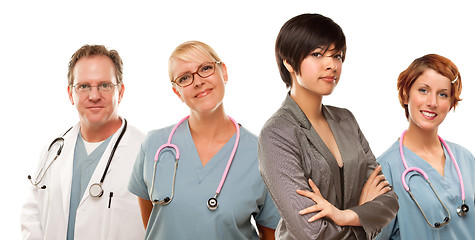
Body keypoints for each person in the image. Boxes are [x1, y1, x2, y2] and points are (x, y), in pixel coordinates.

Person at [258, 13, 398, 240]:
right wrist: (364, 218)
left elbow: (389, 201)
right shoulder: (276, 134)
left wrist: (345, 216)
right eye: (317, 54)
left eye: (337, 56)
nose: (331, 65)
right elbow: (311, 232)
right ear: (288, 62)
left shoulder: (347, 120)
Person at [128, 40, 280, 239]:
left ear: (223, 72)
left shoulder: (262, 155)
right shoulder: (154, 145)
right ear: (177, 92)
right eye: (184, 78)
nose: (198, 81)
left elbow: (271, 235)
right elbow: (154, 226)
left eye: (206, 68)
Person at [20, 45, 145, 240]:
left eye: (104, 85)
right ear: (71, 94)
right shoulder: (54, 149)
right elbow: (31, 213)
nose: (94, 96)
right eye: (84, 86)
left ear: (120, 91)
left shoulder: (145, 152)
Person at [375, 54, 475, 240]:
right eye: (423, 90)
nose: (432, 102)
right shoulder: (384, 169)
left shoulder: (465, 160)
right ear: (405, 95)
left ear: (451, 103)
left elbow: (471, 228)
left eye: (443, 94)